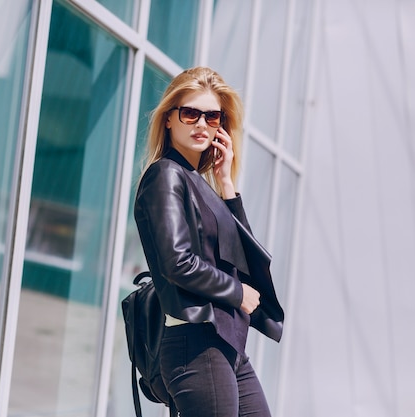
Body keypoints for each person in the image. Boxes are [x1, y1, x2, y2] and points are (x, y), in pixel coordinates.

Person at [134, 67, 283, 417]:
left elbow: (241, 260)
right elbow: (177, 261)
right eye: (190, 113)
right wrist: (237, 293)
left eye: (212, 116)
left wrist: (226, 185)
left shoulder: (199, 184)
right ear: (169, 119)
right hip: (196, 343)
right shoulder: (165, 176)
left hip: (225, 342)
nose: (202, 124)